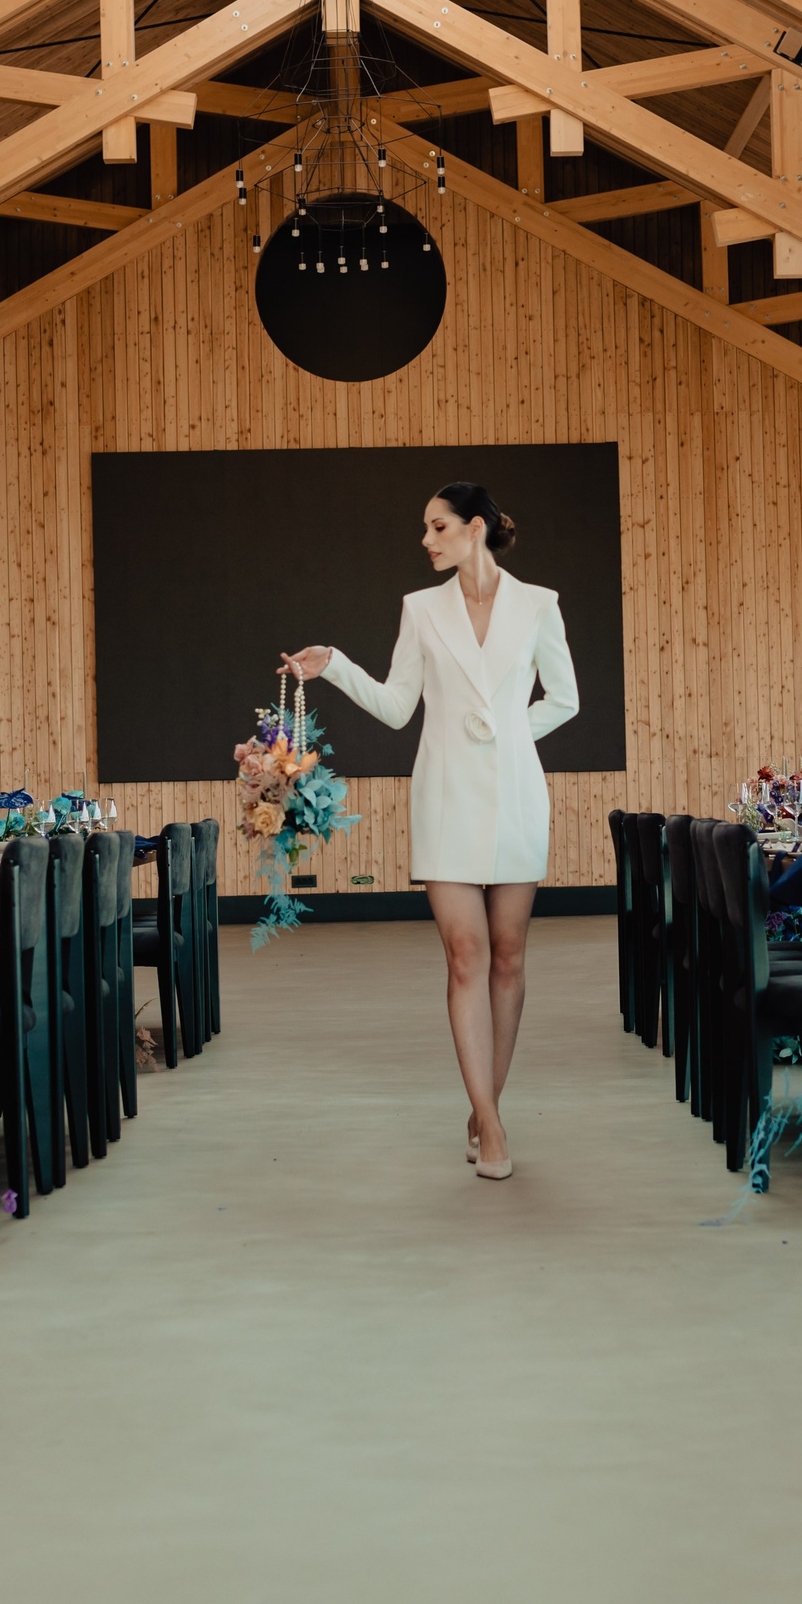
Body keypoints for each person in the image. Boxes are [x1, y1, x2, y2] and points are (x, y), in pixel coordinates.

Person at [281, 482, 579, 1180]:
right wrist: (337, 667)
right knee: (466, 955)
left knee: (508, 956)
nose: (426, 539)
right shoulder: (421, 608)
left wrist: (507, 734)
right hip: (444, 796)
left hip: (515, 796)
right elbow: (395, 706)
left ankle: (484, 1108)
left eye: (437, 526)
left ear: (473, 528)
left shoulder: (539, 605)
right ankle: (495, 1125)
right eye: (426, 528)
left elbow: (564, 700)